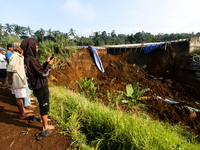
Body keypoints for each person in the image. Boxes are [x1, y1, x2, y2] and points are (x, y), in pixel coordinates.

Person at [21, 38, 54, 139]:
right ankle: (45, 126)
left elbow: (38, 70)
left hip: (35, 86)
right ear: (30, 47)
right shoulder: (31, 60)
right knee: (44, 105)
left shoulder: (27, 59)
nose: (37, 49)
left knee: (42, 104)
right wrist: (49, 65)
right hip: (40, 87)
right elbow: (44, 73)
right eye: (36, 47)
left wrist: (45, 63)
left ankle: (43, 119)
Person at [6, 42, 31, 119]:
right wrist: (9, 80)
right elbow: (10, 70)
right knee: (19, 98)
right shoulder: (15, 57)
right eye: (22, 47)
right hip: (18, 80)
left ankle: (23, 111)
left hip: (19, 80)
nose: (24, 48)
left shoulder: (19, 56)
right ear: (17, 48)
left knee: (20, 97)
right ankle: (22, 114)